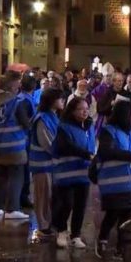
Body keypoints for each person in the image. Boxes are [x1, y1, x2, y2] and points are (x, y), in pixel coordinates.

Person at [93, 100, 131, 259]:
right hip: (112, 182)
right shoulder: (109, 131)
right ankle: (102, 239)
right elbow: (106, 152)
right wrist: (130, 156)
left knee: (127, 215)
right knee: (113, 213)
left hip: (130, 182)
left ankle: (121, 247)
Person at [53, 97, 96, 249]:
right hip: (66, 172)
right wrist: (86, 154)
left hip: (83, 172)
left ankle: (76, 234)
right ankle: (61, 231)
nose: (85, 111)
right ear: (72, 111)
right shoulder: (63, 127)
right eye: (81, 109)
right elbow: (65, 146)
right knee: (66, 203)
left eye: (87, 108)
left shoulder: (90, 126)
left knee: (80, 205)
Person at [0, 76, 31, 220]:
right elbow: (26, 124)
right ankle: (12, 209)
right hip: (15, 146)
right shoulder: (17, 102)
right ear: (11, 88)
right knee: (16, 177)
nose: (18, 89)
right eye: (17, 86)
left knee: (0, 177)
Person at [28, 88, 65, 241]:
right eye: (60, 99)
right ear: (51, 101)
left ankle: (48, 223)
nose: (62, 102)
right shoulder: (42, 118)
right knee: (42, 195)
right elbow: (47, 142)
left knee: (49, 195)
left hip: (51, 163)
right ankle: (43, 226)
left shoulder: (52, 116)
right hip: (42, 163)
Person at [18, 74, 38, 209]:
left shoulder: (21, 98)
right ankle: (23, 197)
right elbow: (26, 121)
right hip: (24, 139)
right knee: (24, 170)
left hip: (22, 138)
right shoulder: (25, 100)